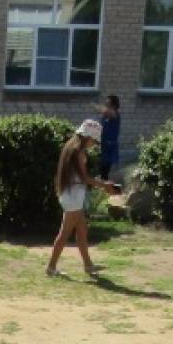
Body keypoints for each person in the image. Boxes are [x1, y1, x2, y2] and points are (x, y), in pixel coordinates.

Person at [45, 118, 120, 279]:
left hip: (73, 194)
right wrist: (104, 185)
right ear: (88, 137)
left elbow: (81, 177)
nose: (95, 144)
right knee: (64, 234)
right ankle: (51, 267)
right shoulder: (78, 152)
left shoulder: (71, 148)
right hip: (73, 196)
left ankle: (88, 265)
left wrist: (102, 184)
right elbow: (85, 178)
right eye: (94, 140)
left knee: (82, 231)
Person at [99, 94, 121, 184]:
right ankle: (102, 189)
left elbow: (111, 114)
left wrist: (102, 109)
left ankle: (105, 191)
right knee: (101, 171)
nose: (106, 105)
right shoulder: (105, 115)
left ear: (114, 105)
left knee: (104, 172)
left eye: (108, 103)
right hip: (102, 145)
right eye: (106, 103)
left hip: (109, 147)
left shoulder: (116, 114)